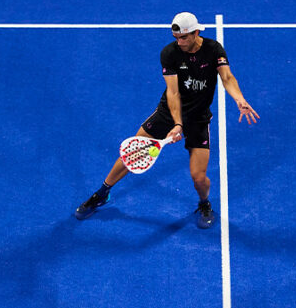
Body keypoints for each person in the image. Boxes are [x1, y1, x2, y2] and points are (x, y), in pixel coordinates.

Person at [75, 12, 259, 228]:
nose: (179, 42)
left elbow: (227, 77)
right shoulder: (169, 53)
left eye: (183, 37)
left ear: (196, 32)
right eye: (176, 38)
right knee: (132, 154)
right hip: (167, 114)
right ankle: (102, 193)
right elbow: (173, 93)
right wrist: (177, 124)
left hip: (198, 119)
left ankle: (204, 204)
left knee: (199, 178)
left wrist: (239, 99)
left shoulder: (213, 49)